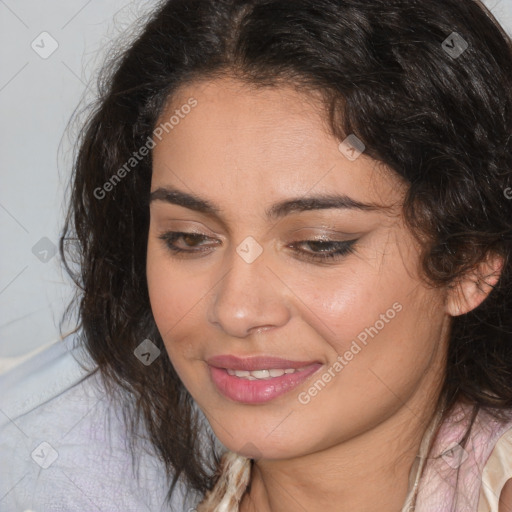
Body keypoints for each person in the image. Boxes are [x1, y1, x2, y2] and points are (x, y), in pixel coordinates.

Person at [1, 0, 512, 510]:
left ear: (470, 262)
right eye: (189, 238)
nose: (235, 310)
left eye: (317, 244)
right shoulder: (45, 470)